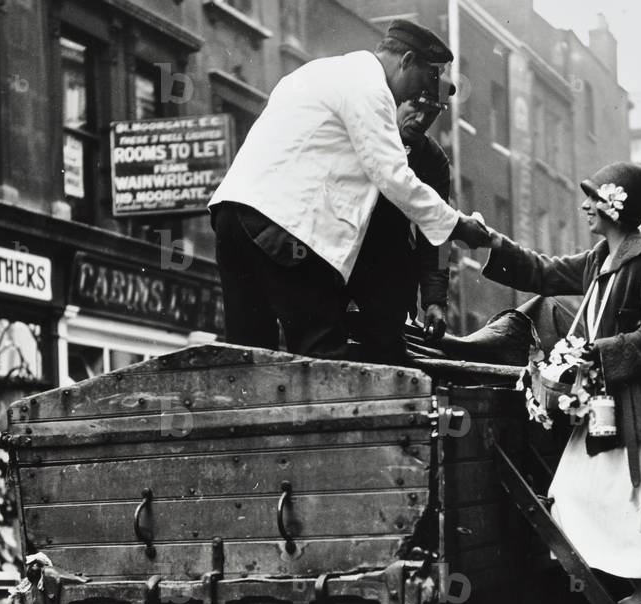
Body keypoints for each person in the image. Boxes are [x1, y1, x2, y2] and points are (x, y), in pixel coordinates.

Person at [483, 161, 641, 604]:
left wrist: (600, 352)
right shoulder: (599, 261)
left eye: (593, 199)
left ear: (615, 207)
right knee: (577, 497)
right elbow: (540, 270)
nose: (584, 207)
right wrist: (490, 241)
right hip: (613, 415)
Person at [208, 19, 491, 359]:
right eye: (421, 91)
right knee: (322, 353)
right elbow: (394, 176)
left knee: (249, 355)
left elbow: (437, 242)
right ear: (406, 61)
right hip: (286, 231)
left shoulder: (318, 73)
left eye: (433, 107)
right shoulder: (371, 91)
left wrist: (434, 298)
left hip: (234, 215)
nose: (420, 106)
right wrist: (460, 225)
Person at [345, 76, 455, 362]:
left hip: (387, 280)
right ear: (398, 98)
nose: (421, 119)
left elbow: (439, 237)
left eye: (432, 113)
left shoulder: (433, 161)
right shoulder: (359, 133)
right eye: (415, 107)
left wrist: (435, 300)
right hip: (338, 262)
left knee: (388, 359)